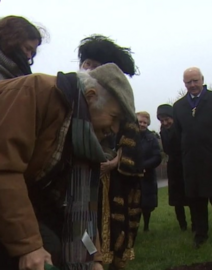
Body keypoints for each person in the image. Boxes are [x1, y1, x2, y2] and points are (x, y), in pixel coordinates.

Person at [0, 63, 139, 270]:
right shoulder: (36, 92)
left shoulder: (82, 137)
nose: (115, 129)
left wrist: (94, 259)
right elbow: (5, 169)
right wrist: (28, 247)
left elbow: (79, 205)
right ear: (91, 96)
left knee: (56, 248)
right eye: (114, 117)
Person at [77, 34, 144, 269]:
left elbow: (131, 138)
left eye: (94, 64)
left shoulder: (116, 99)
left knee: (114, 225)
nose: (88, 68)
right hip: (84, 174)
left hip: (113, 179)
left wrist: (116, 162)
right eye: (86, 63)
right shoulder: (77, 93)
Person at [173, 67, 212, 248]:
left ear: (202, 79)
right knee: (196, 202)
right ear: (184, 83)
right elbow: (178, 133)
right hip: (192, 163)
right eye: (188, 82)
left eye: (195, 81)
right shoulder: (179, 106)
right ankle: (200, 235)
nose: (192, 85)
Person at [158, 104, 195, 232]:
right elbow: (167, 149)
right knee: (177, 199)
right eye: (162, 120)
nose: (165, 122)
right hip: (173, 166)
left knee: (191, 196)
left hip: (186, 164)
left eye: (167, 119)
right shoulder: (163, 132)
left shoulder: (181, 128)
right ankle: (182, 225)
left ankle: (195, 223)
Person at [136, 111, 162, 232]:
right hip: (132, 175)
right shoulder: (129, 136)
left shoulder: (152, 139)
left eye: (145, 122)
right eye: (140, 121)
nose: (142, 124)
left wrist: (144, 166)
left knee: (146, 204)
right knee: (133, 203)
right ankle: (133, 226)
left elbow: (157, 156)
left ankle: (146, 226)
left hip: (147, 175)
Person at [0, 15, 43, 80]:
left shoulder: (18, 77)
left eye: (32, 53)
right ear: (11, 41)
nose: (29, 56)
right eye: (27, 48)